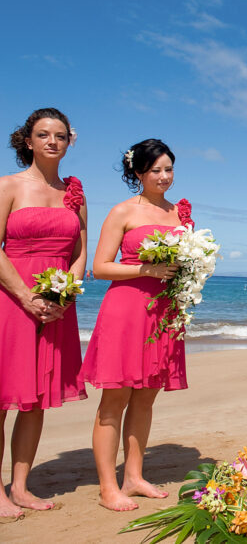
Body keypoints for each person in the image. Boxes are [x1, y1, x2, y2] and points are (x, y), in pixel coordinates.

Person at [80, 139, 192, 511]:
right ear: (138, 173)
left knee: (146, 399)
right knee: (114, 400)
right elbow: (99, 267)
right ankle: (108, 487)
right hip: (126, 310)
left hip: (164, 313)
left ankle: (134, 476)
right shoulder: (122, 212)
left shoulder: (180, 213)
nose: (164, 177)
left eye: (168, 169)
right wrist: (148, 269)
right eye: (155, 170)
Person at [0, 108, 87, 517]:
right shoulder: (8, 186)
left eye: (59, 135)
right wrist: (24, 295)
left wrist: (62, 297)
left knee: (33, 401)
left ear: (69, 142)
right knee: (1, 400)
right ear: (28, 140)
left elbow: (79, 253)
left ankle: (20, 487)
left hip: (55, 307)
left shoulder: (75, 193)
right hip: (10, 300)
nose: (52, 141)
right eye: (43, 134)